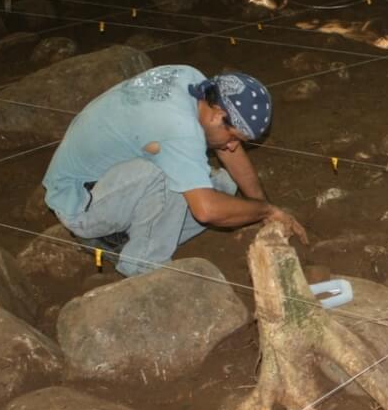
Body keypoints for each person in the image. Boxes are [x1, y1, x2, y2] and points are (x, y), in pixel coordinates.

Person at [42, 65, 307, 278]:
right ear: (217, 115)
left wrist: (262, 205)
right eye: (234, 136)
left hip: (114, 182)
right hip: (80, 202)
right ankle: (142, 263)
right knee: (173, 177)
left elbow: (228, 150)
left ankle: (121, 237)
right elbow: (207, 211)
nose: (233, 145)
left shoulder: (194, 83)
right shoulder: (179, 128)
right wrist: (266, 212)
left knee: (224, 189)